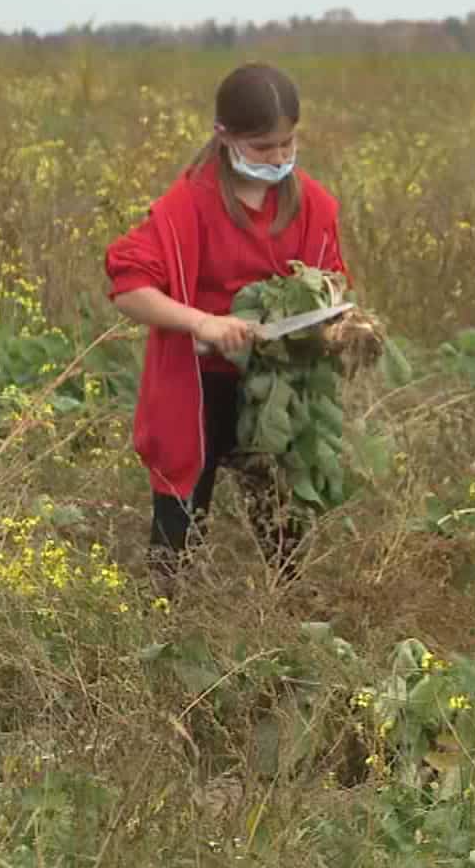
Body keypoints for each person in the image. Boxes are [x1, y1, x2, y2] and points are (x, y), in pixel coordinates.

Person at [105, 62, 352, 591]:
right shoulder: (187, 205)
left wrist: (336, 327)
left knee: (282, 509)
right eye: (264, 148)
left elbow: (331, 285)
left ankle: (286, 616)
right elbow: (129, 288)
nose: (280, 158)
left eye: (288, 144)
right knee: (181, 512)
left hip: (272, 387)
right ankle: (164, 619)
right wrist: (204, 323)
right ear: (226, 137)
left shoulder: (310, 203)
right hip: (198, 382)